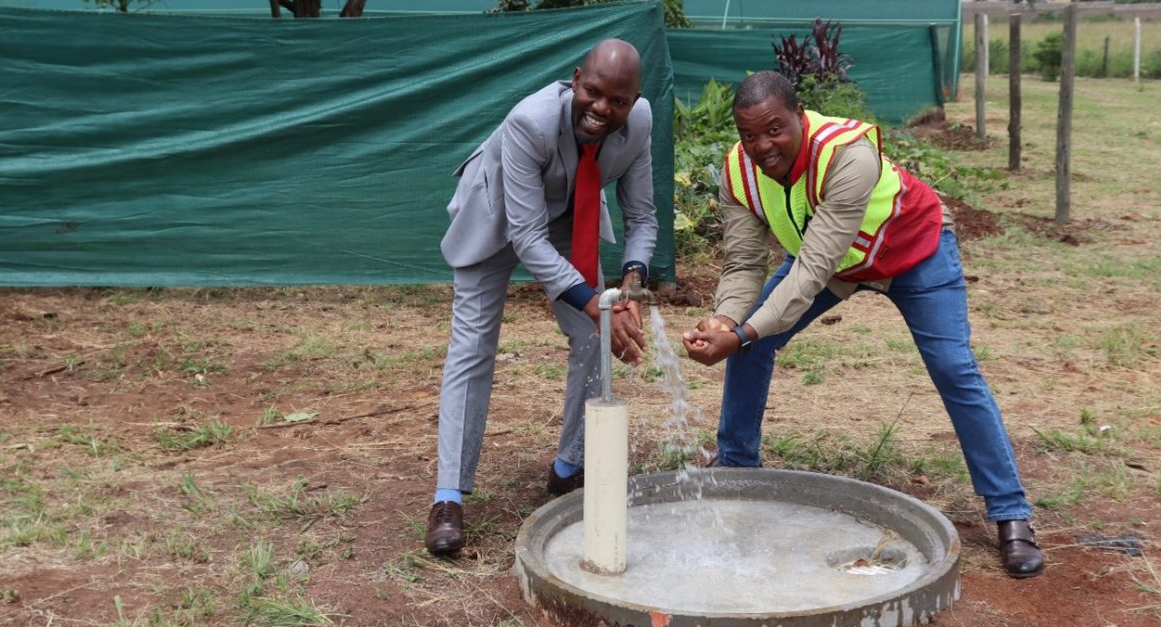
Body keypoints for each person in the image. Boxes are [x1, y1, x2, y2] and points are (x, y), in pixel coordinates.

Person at [680, 70, 1044, 579]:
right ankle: (737, 467)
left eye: (775, 130)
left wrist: (742, 334)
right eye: (749, 135)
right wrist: (724, 321)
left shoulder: (847, 155)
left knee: (953, 368)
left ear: (800, 118)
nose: (762, 146)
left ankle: (1011, 513)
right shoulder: (737, 174)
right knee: (750, 345)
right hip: (833, 264)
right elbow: (743, 264)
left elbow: (808, 272)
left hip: (913, 253)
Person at [426, 39, 656, 556]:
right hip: (495, 218)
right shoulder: (529, 122)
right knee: (473, 349)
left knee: (595, 338)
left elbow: (642, 215)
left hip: (568, 219)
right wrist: (595, 300)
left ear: (634, 100)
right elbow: (525, 234)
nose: (602, 109)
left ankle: (568, 468)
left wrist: (631, 289)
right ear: (576, 79)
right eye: (592, 93)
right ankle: (448, 497)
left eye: (617, 101)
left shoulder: (638, 121)